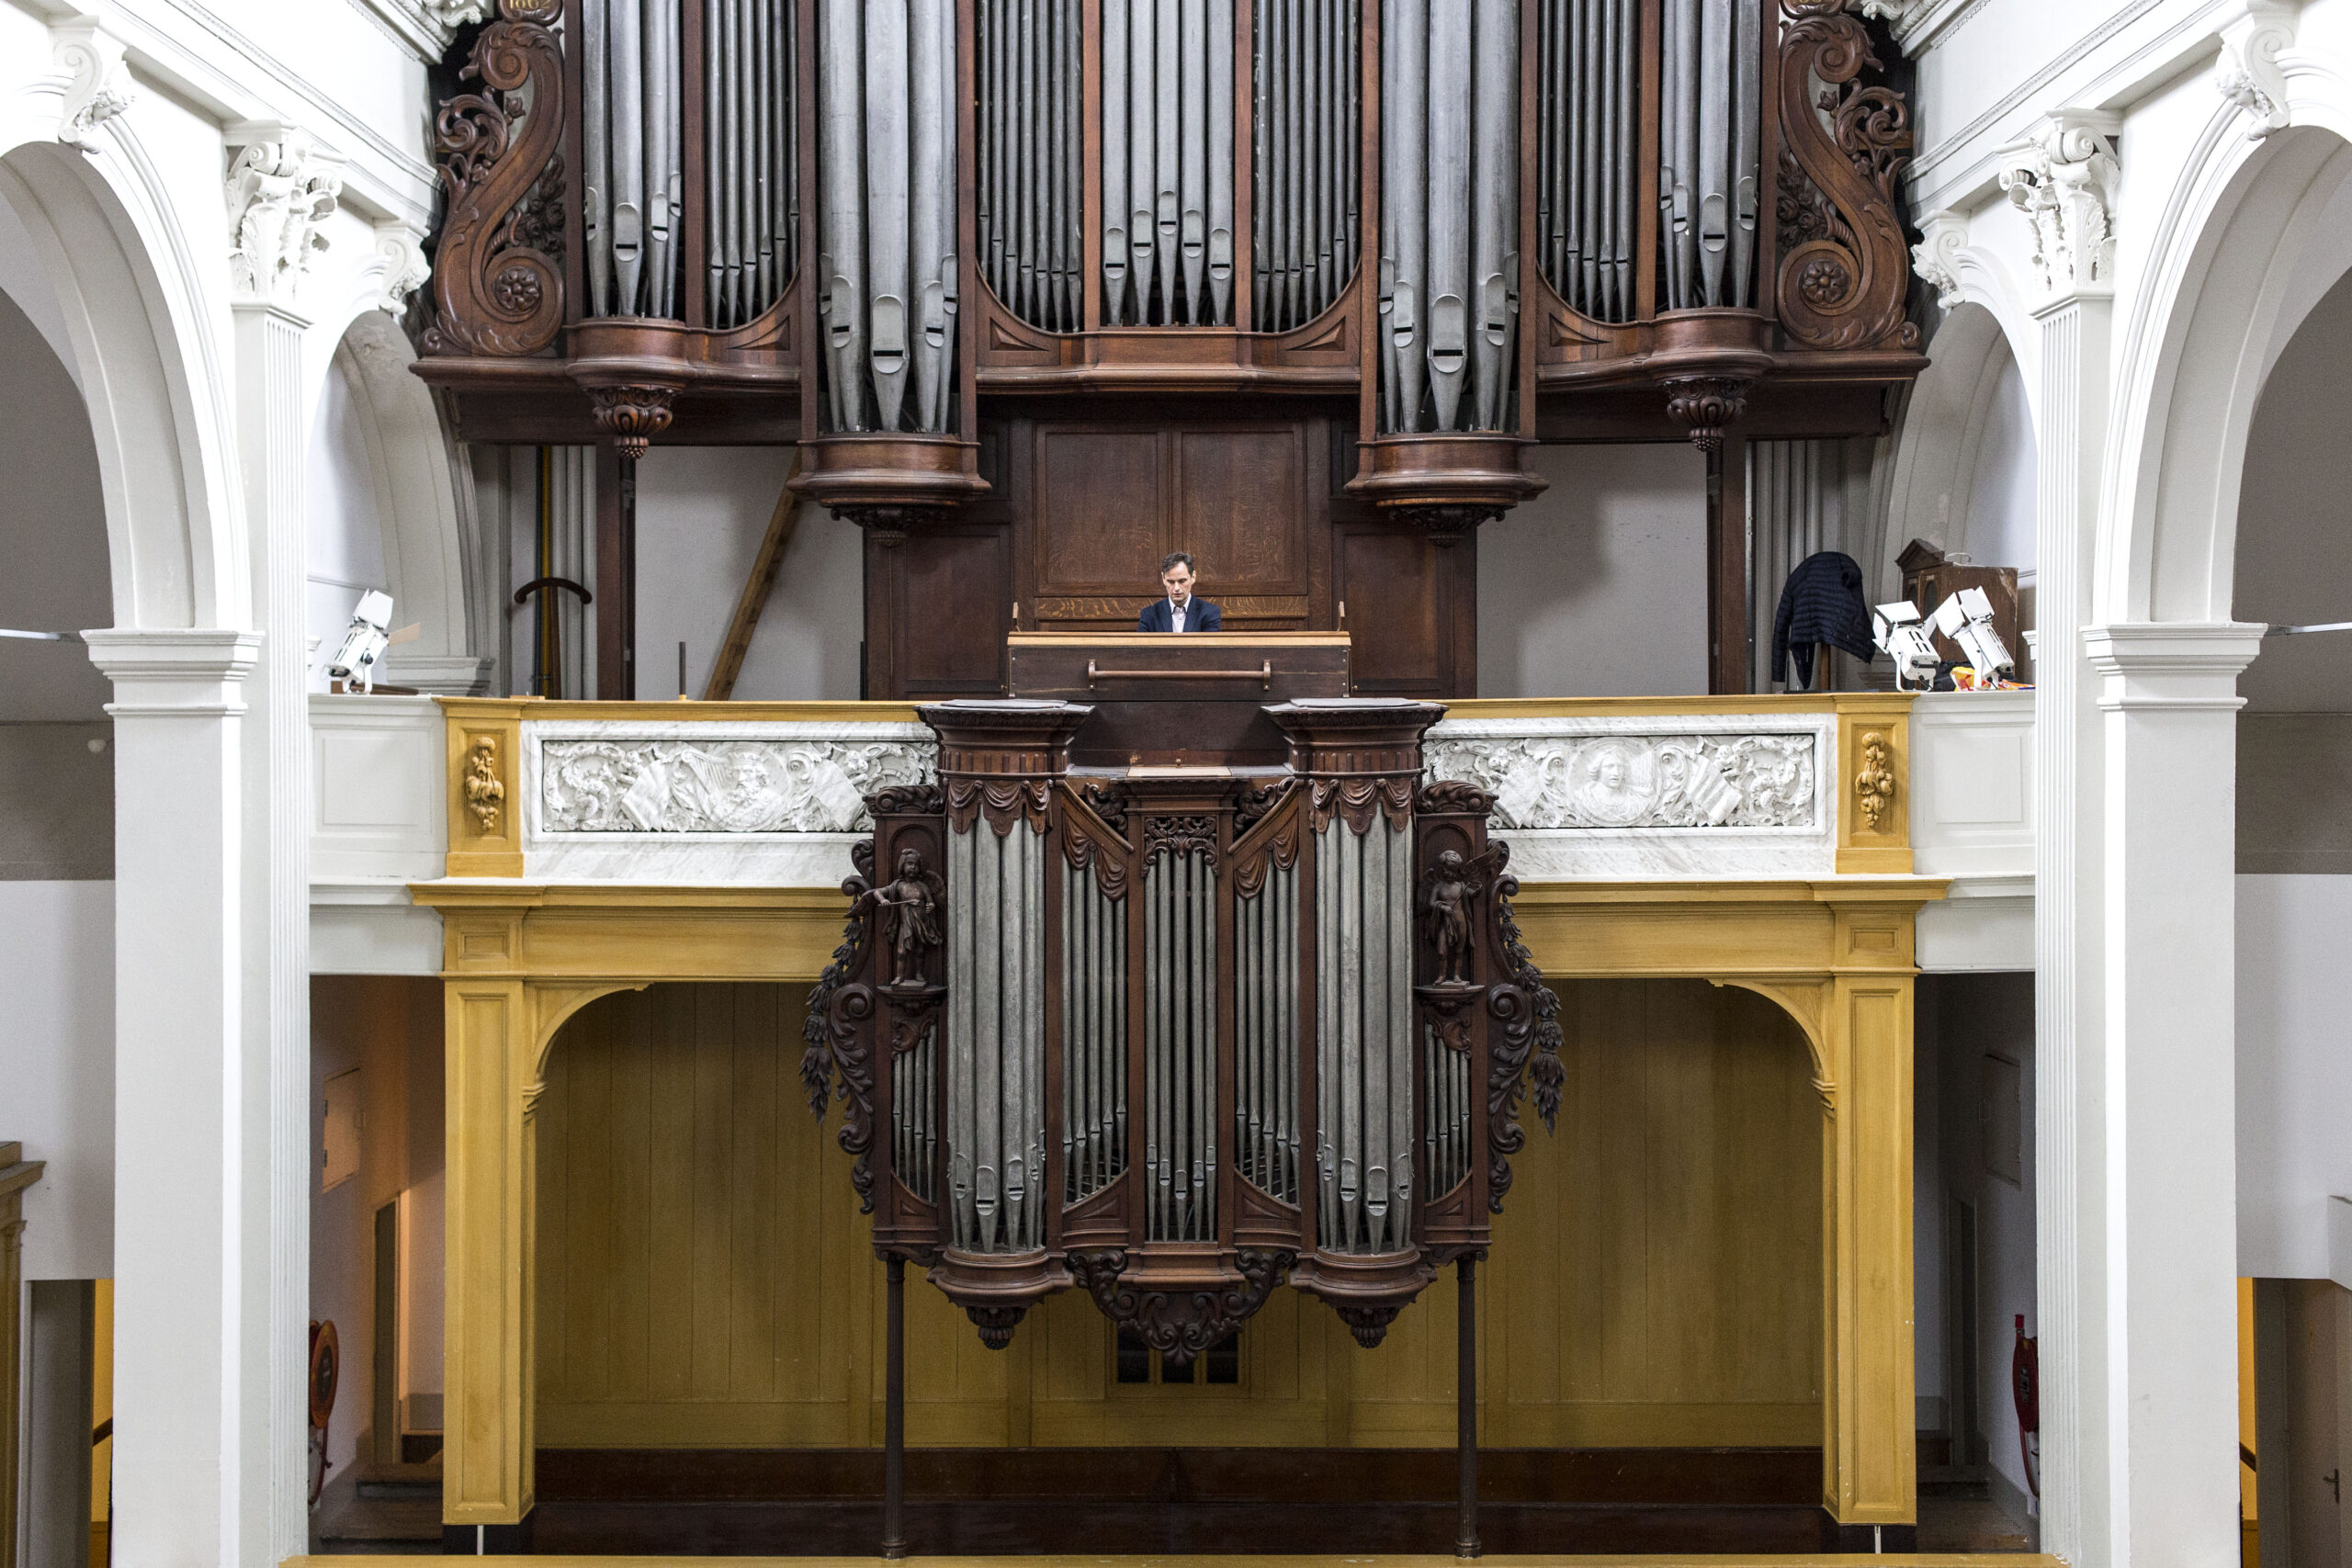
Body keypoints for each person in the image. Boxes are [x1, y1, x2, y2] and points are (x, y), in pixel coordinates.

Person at [1136, 551, 1223, 632]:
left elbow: (1209, 648)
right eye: (1171, 582)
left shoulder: (1209, 612)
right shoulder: (1149, 615)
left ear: (1193, 577)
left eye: (1182, 581)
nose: (1176, 588)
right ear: (1163, 578)